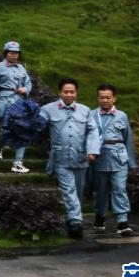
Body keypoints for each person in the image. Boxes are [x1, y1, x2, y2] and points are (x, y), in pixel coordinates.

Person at [40, 78, 100, 239]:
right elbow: (37, 125)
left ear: (76, 93)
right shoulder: (47, 109)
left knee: (78, 192)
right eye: (66, 91)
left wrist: (92, 150)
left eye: (72, 92)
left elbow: (93, 131)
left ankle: (71, 219)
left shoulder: (85, 110)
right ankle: (76, 223)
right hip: (61, 158)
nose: (69, 94)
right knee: (69, 190)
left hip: (80, 158)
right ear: (60, 92)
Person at [90, 84, 137, 236]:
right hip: (99, 157)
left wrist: (131, 162)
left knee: (119, 188)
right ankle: (100, 216)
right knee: (100, 190)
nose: (105, 100)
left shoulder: (122, 115)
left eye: (108, 97)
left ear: (114, 98)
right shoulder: (91, 115)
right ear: (97, 98)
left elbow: (128, 138)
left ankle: (122, 222)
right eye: (101, 97)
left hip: (118, 157)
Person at [0, 41, 32, 173]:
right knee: (7, 131)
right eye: (11, 53)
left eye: (16, 53)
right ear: (6, 53)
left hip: (19, 103)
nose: (14, 55)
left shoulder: (21, 68)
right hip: (3, 102)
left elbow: (28, 84)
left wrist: (25, 89)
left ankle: (18, 162)